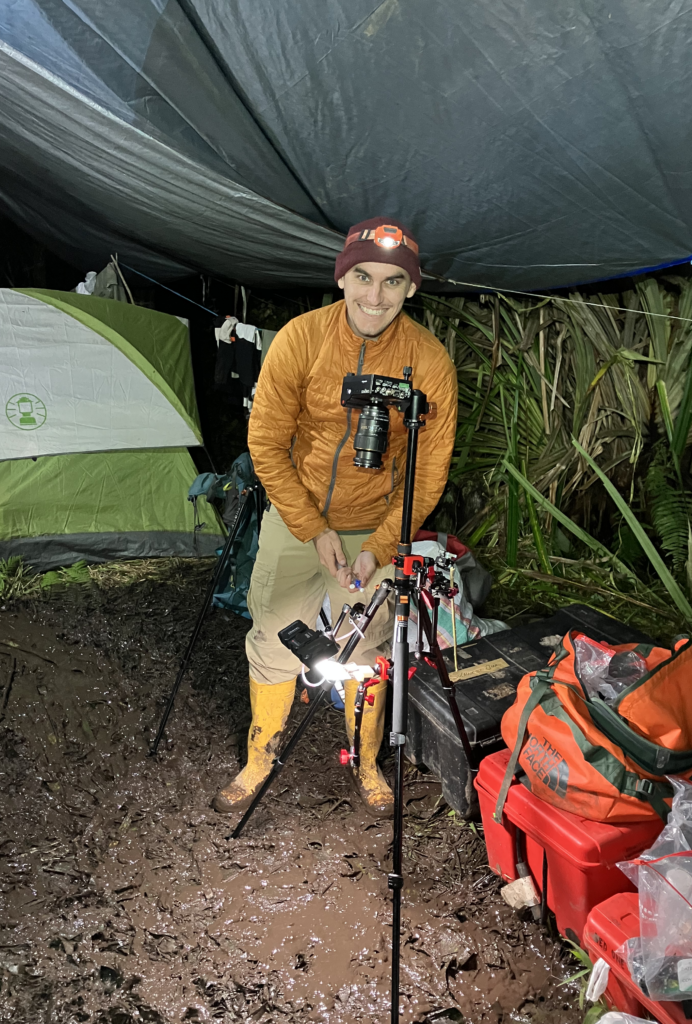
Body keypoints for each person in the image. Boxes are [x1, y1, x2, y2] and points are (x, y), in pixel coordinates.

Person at [212, 216, 458, 817]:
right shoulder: (301, 339)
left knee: (366, 652)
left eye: (393, 281)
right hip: (298, 518)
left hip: (376, 527)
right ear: (342, 278)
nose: (376, 295)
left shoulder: (429, 361)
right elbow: (266, 443)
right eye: (364, 277)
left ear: (412, 288)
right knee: (273, 635)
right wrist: (312, 527)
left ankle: (366, 762)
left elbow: (428, 472)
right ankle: (260, 756)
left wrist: (382, 543)